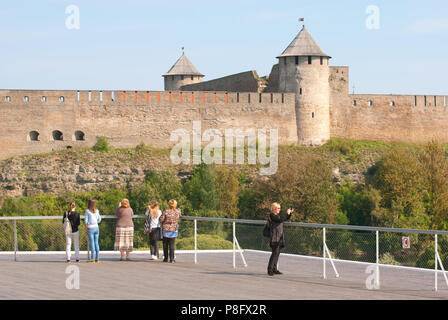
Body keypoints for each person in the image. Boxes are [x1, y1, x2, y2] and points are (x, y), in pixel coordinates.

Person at [267, 202, 293, 276]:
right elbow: (281, 219)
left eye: (279, 208)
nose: (279, 209)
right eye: (278, 208)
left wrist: (289, 213)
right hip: (274, 237)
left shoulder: (277, 215)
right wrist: (287, 214)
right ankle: (270, 269)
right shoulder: (272, 215)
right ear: (274, 209)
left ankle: (274, 269)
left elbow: (285, 219)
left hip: (279, 237)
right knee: (274, 253)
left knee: (277, 253)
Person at [84, 199, 101, 263]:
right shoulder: (97, 211)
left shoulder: (87, 211)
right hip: (96, 227)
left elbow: (86, 221)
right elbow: (99, 219)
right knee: (96, 243)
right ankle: (97, 258)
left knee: (92, 243)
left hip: (90, 228)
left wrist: (86, 229)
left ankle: (92, 259)